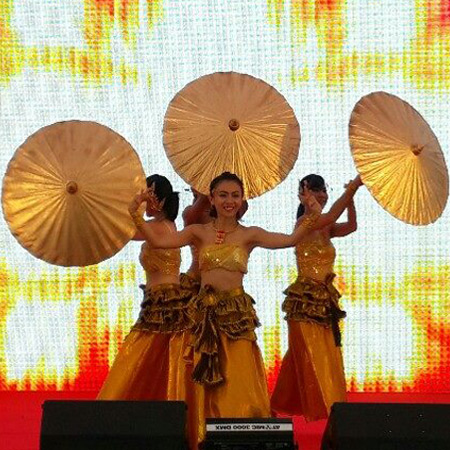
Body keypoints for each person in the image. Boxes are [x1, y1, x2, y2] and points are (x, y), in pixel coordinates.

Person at [128, 171, 357, 445]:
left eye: (235, 195)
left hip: (237, 315)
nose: (229, 201)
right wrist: (135, 214)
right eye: (223, 195)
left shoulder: (250, 235)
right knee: (205, 379)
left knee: (240, 377)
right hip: (205, 317)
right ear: (211, 198)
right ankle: (202, 437)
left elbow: (290, 239)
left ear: (241, 199)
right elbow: (160, 242)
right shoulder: (198, 232)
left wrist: (310, 213)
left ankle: (245, 440)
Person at [271, 174, 362, 421]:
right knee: (309, 354)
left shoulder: (325, 226)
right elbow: (331, 216)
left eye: (325, 190)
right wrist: (352, 188)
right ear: (306, 190)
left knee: (325, 354)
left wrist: (351, 199)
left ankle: (322, 405)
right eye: (318, 190)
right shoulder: (306, 221)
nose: (323, 194)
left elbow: (351, 226)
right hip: (305, 299)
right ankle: (321, 405)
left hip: (325, 301)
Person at [97, 174, 194, 404]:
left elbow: (123, 233)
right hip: (162, 298)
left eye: (148, 195)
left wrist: (132, 207)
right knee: (158, 356)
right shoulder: (165, 225)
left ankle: (116, 403)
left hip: (163, 301)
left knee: (139, 352)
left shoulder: (159, 228)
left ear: (159, 200)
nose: (145, 200)